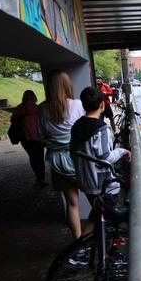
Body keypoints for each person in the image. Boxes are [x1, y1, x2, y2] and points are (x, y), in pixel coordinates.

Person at [70, 87, 131, 235]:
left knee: (97, 214)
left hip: (85, 182)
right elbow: (106, 157)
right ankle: (99, 252)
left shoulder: (76, 125)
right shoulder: (101, 128)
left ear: (83, 105)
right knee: (111, 219)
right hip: (102, 184)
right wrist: (123, 151)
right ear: (102, 105)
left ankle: (82, 251)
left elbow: (72, 153)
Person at [38, 70, 84, 239]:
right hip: (79, 160)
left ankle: (78, 245)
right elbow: (85, 131)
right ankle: (99, 241)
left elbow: (41, 136)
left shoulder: (42, 109)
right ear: (67, 85)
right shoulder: (78, 105)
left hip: (57, 162)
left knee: (72, 204)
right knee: (97, 200)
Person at [12, 90, 45, 185]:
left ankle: (37, 177)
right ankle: (42, 178)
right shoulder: (38, 108)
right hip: (38, 137)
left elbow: (13, 120)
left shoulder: (19, 108)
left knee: (32, 157)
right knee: (40, 158)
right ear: (34, 97)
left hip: (25, 138)